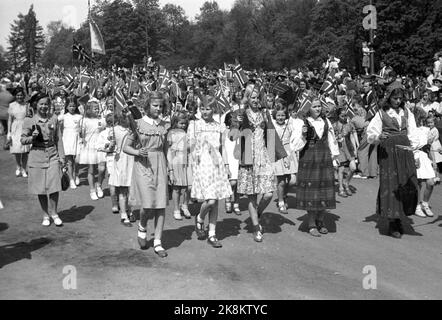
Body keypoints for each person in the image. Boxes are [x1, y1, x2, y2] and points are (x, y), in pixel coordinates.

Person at [367, 82, 419, 238]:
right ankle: (392, 221)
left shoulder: (407, 112)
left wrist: (415, 153)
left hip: (405, 152)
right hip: (388, 153)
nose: (397, 101)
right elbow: (370, 134)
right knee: (391, 185)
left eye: (400, 98)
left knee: (406, 183)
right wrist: (378, 136)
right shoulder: (381, 113)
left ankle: (401, 215)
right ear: (389, 98)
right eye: (395, 98)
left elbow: (413, 133)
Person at [236, 85, 286, 242]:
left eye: (257, 97)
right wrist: (237, 120)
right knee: (252, 195)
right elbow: (234, 129)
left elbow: (270, 133)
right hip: (249, 156)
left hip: (263, 156)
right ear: (248, 98)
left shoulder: (264, 113)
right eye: (252, 97)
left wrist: (276, 155)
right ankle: (256, 227)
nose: (255, 100)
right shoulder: (242, 112)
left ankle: (256, 213)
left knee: (269, 193)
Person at [123, 91, 169, 258]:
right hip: (143, 165)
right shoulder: (138, 124)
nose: (158, 108)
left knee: (161, 205)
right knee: (148, 205)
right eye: (155, 105)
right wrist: (137, 151)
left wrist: (169, 167)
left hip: (160, 164)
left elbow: (166, 149)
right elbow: (125, 147)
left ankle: (158, 241)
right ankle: (142, 226)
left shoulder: (165, 125)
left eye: (160, 106)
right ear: (147, 106)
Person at [188, 95, 232, 248]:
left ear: (213, 109)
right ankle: (200, 218)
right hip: (202, 164)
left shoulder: (218, 125)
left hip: (217, 164)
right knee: (210, 200)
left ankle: (212, 234)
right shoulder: (194, 125)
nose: (204, 111)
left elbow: (222, 147)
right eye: (202, 108)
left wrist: (226, 165)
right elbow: (191, 146)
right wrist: (194, 162)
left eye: (207, 108)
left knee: (216, 200)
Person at [291, 98, 340, 237]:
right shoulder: (302, 123)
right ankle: (311, 222)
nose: (318, 109)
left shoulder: (326, 121)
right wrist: (303, 135)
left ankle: (320, 219)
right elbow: (295, 146)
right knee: (312, 193)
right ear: (308, 108)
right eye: (314, 106)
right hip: (308, 158)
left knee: (324, 191)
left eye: (319, 106)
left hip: (324, 157)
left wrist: (335, 159)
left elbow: (332, 140)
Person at [20, 93, 65, 227]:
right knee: (40, 188)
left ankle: (54, 213)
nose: (44, 106)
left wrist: (62, 157)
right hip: (37, 156)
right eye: (41, 104)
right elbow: (22, 140)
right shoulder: (29, 121)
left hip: (52, 155)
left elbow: (58, 140)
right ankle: (45, 214)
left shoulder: (54, 119)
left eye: (46, 104)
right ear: (36, 105)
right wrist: (32, 138)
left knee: (54, 186)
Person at [107, 112, 135, 226]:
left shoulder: (133, 130)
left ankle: (130, 210)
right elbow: (110, 146)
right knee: (123, 188)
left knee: (131, 189)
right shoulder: (114, 129)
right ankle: (124, 215)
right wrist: (111, 144)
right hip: (121, 161)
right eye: (124, 117)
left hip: (133, 159)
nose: (126, 119)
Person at [78, 99, 107, 200]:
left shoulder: (101, 120)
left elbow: (105, 130)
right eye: (95, 109)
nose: (97, 110)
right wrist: (80, 132)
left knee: (102, 168)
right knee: (91, 169)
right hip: (90, 146)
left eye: (98, 108)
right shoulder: (84, 120)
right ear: (89, 110)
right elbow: (81, 134)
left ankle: (99, 185)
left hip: (100, 145)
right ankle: (92, 189)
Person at [167, 110, 192, 220]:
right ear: (175, 122)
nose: (183, 125)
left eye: (185, 123)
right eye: (181, 123)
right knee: (177, 188)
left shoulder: (188, 134)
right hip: (176, 162)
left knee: (187, 187)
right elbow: (168, 151)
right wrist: (170, 168)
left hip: (187, 162)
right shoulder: (171, 134)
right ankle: (176, 208)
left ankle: (185, 205)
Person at [272, 104, 297, 214]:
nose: (281, 117)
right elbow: (270, 144)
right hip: (278, 153)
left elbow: (295, 138)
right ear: (275, 116)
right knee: (281, 181)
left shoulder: (289, 125)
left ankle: (284, 194)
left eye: (283, 115)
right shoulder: (272, 126)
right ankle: (281, 202)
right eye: (278, 115)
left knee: (292, 180)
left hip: (289, 152)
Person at [332, 107, 357, 197]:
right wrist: (337, 136)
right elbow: (331, 139)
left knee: (353, 168)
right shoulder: (334, 125)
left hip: (349, 148)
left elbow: (353, 136)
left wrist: (355, 147)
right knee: (341, 169)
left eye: (345, 115)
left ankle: (346, 182)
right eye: (342, 115)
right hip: (340, 149)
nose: (344, 117)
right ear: (338, 116)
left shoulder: (349, 124)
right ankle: (341, 188)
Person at [7, 87, 31, 177]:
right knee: (17, 150)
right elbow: (9, 119)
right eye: (18, 95)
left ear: (23, 95)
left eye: (21, 95)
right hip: (15, 128)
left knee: (25, 150)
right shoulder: (11, 105)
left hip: (25, 127)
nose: (19, 96)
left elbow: (29, 117)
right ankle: (18, 167)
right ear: (15, 96)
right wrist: (9, 132)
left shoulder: (27, 105)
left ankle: (24, 169)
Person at [60, 95, 81, 188]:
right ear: (66, 107)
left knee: (77, 160)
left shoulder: (79, 116)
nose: (72, 108)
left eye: (73, 106)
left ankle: (76, 175)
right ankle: (71, 179)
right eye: (70, 106)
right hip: (67, 139)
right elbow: (58, 127)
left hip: (77, 139)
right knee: (70, 161)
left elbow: (82, 128)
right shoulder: (63, 117)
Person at [0, 82, 14, 150]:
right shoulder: (11, 96)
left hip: (1, 114)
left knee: (4, 129)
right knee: (9, 130)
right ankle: (7, 144)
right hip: (8, 115)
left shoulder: (0, 94)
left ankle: (5, 143)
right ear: (11, 89)